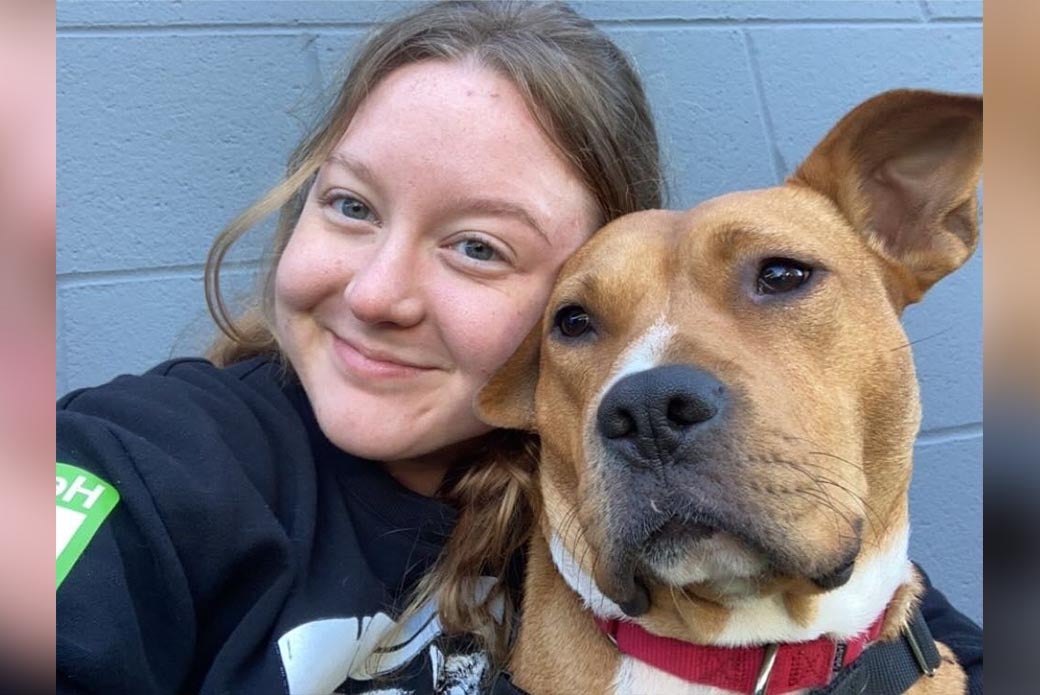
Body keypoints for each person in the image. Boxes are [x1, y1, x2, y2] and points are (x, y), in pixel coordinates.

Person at [56, 2, 982, 694]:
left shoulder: (585, 471)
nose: (374, 293)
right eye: (349, 204)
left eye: (478, 246)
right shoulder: (151, 462)